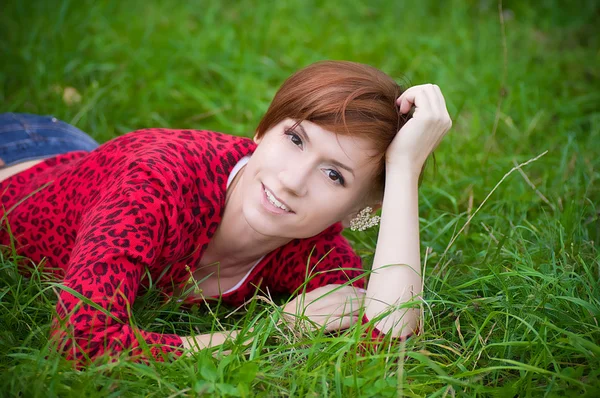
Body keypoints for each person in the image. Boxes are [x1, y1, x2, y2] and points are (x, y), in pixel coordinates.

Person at [0, 61, 451, 363]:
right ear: (261, 130)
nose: (293, 180)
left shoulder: (313, 247)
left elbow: (388, 344)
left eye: (334, 175)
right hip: (17, 154)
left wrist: (404, 169)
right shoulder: (156, 182)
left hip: (78, 163)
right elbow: (80, 344)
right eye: (295, 139)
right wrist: (273, 330)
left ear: (357, 211)